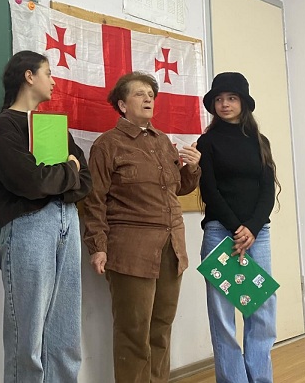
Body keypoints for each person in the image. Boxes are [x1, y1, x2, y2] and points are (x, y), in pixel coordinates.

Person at [83, 71, 201, 383]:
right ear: (122, 105)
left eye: (151, 95)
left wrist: (192, 168)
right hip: (131, 251)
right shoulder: (107, 145)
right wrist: (97, 247)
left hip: (172, 249)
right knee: (133, 333)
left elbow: (177, 188)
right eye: (140, 94)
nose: (148, 99)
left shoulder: (163, 142)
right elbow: (94, 201)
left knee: (161, 329)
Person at [0, 50, 91, 383]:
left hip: (67, 221)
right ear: (29, 76)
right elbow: (31, 182)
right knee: (28, 334)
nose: (54, 81)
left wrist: (59, 177)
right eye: (48, 73)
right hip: (29, 226)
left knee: (65, 332)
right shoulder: (6, 125)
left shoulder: (52, 125)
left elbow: (86, 180)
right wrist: (68, 171)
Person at [197, 72, 280, 383]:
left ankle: (260, 378)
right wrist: (236, 228)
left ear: (243, 102)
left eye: (231, 98)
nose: (224, 104)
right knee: (223, 316)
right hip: (221, 233)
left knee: (261, 310)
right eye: (219, 99)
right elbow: (209, 191)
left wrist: (252, 229)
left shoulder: (260, 142)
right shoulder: (207, 142)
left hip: (257, 235)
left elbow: (267, 191)